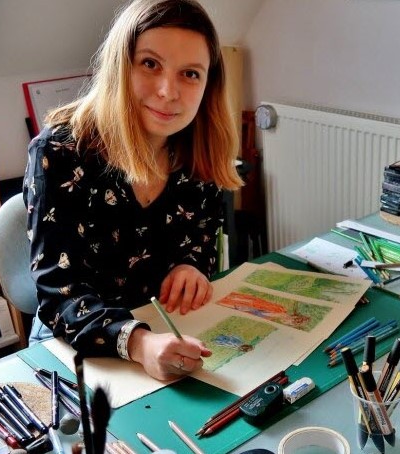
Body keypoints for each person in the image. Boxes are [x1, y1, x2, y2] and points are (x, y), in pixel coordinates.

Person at [23, 0, 242, 381]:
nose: (168, 91)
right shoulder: (58, 153)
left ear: (208, 85)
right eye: (150, 64)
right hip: (73, 344)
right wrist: (139, 344)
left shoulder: (197, 149)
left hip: (164, 327)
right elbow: (59, 293)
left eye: (190, 74)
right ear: (119, 66)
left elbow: (202, 239)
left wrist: (191, 266)